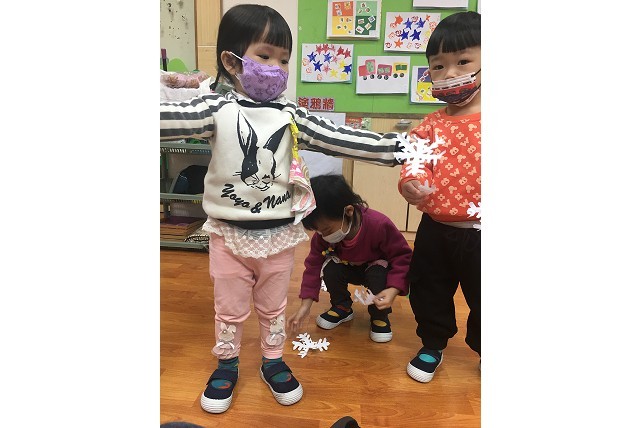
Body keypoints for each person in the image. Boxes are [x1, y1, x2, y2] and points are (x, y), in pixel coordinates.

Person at [160, 4, 403, 414]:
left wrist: (400, 149)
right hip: (228, 236)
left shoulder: (291, 114)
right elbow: (169, 119)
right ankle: (227, 363)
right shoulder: (216, 109)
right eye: (265, 56)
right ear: (232, 62)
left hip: (278, 238)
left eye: (284, 60)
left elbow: (338, 136)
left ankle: (272, 360)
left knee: (273, 307)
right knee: (229, 309)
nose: (277, 67)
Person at [398, 11, 481, 383]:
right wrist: (411, 183)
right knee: (428, 289)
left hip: (483, 232)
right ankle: (432, 343)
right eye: (438, 66)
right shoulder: (430, 125)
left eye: (463, 61)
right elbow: (414, 163)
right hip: (435, 228)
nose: (449, 73)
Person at [287, 175, 412, 344]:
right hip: (348, 267)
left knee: (378, 275)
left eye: (327, 230)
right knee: (330, 268)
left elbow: (402, 257)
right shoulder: (323, 236)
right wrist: (305, 306)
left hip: (375, 269)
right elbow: (313, 267)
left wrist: (393, 289)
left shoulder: (379, 224)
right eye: (318, 231)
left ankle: (379, 316)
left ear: (349, 211)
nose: (323, 235)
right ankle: (342, 307)